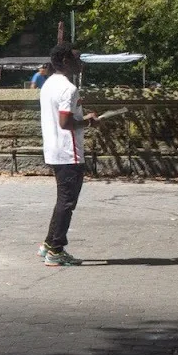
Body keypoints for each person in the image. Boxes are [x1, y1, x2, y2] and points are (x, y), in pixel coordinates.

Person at [39, 44, 102, 266]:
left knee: (62, 201)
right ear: (66, 61)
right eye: (77, 59)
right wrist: (87, 121)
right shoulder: (68, 88)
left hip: (54, 150)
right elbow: (65, 123)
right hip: (69, 153)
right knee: (67, 203)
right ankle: (56, 250)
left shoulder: (48, 84)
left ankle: (49, 244)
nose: (81, 63)